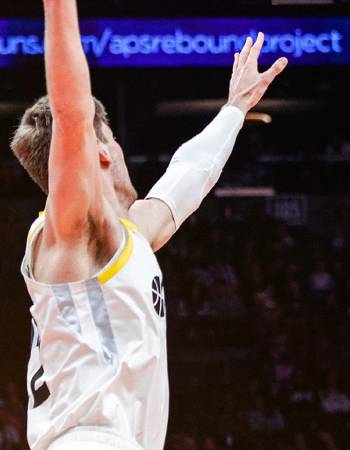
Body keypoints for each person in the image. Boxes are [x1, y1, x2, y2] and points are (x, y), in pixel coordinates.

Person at [10, 1, 287, 449]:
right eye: (114, 141)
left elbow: (184, 180)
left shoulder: (121, 239)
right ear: (100, 151)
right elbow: (72, 113)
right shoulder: (72, 230)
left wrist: (235, 108)